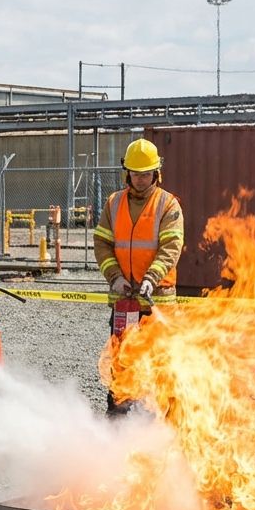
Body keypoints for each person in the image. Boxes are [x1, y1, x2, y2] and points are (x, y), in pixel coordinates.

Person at [92, 137, 184, 415]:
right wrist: (115, 277)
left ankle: (169, 426)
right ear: (127, 172)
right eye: (135, 173)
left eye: (145, 174)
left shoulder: (168, 205)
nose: (140, 179)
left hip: (158, 304)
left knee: (162, 367)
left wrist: (151, 278)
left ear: (156, 173)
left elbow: (171, 247)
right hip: (123, 301)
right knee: (121, 365)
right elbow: (102, 243)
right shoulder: (113, 203)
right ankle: (118, 424)